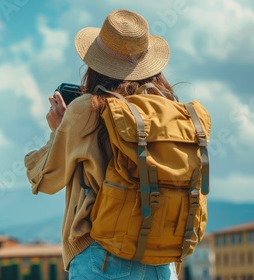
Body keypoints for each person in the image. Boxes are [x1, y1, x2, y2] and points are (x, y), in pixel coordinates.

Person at [24, 9, 179, 279]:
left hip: (102, 257)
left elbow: (45, 179)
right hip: (162, 260)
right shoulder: (170, 109)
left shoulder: (88, 109)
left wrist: (59, 130)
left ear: (96, 63)